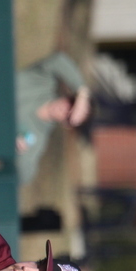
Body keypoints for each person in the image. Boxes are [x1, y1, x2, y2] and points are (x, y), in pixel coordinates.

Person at [16, 51, 92, 185]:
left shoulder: (37, 137)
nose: (65, 110)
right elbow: (59, 60)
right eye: (71, 104)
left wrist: (19, 153)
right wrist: (82, 92)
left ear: (67, 124)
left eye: (69, 115)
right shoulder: (44, 81)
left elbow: (24, 176)